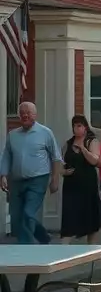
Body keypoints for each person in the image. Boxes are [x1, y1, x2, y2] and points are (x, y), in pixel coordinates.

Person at [0, 102, 62, 245]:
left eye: (28, 113)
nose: (25, 115)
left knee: (28, 214)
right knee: (16, 217)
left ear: (35, 114)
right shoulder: (13, 135)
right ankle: (44, 238)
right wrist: (3, 175)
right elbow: (6, 157)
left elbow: (56, 157)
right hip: (16, 181)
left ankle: (26, 249)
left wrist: (55, 179)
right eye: (22, 113)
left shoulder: (45, 133)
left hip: (38, 180)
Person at [60, 115, 101, 242]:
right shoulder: (68, 144)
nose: (76, 128)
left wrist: (83, 148)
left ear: (85, 127)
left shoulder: (92, 141)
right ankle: (62, 252)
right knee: (69, 218)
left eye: (79, 126)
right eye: (74, 126)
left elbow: (95, 160)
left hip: (87, 184)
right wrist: (63, 172)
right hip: (71, 186)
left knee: (90, 219)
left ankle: (91, 251)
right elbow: (60, 164)